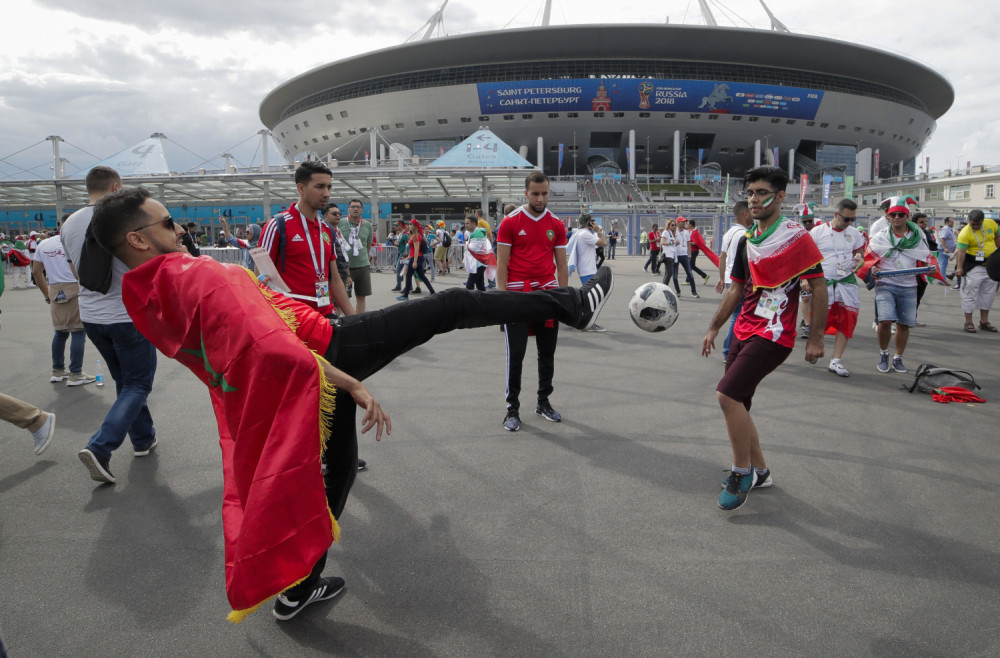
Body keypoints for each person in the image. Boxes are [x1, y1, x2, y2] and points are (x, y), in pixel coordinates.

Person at [90, 185, 613, 622]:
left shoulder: (147, 297)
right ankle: (571, 304)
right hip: (327, 353)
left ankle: (299, 586)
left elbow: (243, 347)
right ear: (137, 238)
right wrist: (351, 383)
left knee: (338, 468)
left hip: (305, 368)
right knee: (452, 303)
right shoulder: (201, 274)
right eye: (168, 224)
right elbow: (272, 347)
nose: (180, 230)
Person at [701, 166, 826, 511]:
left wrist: (816, 338)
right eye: (750, 193)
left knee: (727, 395)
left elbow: (818, 287)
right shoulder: (747, 240)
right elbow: (736, 289)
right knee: (739, 403)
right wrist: (714, 327)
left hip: (775, 333)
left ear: (780, 196)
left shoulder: (795, 238)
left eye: (761, 193)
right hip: (743, 328)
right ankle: (761, 472)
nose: (754, 199)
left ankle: (741, 473)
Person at [61, 165, 159, 484]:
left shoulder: (69, 223)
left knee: (125, 381)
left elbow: (76, 271)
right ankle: (100, 447)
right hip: (128, 315)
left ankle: (143, 439)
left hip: (92, 316)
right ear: (116, 187)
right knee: (137, 383)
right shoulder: (124, 216)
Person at [497, 171, 587, 432]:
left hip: (548, 296)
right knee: (516, 355)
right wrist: (502, 300)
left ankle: (543, 402)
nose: (540, 198)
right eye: (535, 193)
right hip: (517, 296)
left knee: (547, 353)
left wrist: (564, 298)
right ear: (526, 193)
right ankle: (512, 409)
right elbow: (501, 264)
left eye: (544, 193)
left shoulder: (556, 224)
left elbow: (562, 265)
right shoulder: (510, 222)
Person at [858, 203, 933, 373]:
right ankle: (884, 353)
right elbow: (869, 257)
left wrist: (929, 268)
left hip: (909, 285)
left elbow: (925, 257)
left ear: (907, 216)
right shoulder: (881, 236)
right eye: (893, 215)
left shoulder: (917, 236)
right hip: (886, 283)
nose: (897, 218)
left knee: (904, 324)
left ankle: (898, 357)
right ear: (888, 217)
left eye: (901, 214)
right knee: (885, 321)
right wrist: (873, 268)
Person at [31, 221, 95, 385]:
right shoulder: (75, 241)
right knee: (78, 331)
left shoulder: (44, 244)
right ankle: (76, 373)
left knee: (60, 332)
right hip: (74, 287)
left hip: (54, 288)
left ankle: (58, 370)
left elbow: (36, 271)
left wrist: (46, 294)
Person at [809, 199, 865, 376]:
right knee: (820, 319)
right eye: (846, 219)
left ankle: (836, 360)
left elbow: (860, 254)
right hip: (823, 283)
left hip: (846, 282)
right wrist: (805, 280)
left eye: (852, 219)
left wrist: (858, 260)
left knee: (847, 319)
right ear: (836, 214)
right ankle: (816, 346)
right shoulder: (817, 232)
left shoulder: (854, 233)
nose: (849, 223)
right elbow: (807, 258)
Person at [715, 201, 753, 360]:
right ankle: (729, 350)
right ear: (745, 213)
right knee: (738, 315)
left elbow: (722, 257)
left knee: (736, 314)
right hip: (740, 279)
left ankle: (731, 349)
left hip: (730, 278)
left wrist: (722, 278)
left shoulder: (729, 233)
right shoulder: (746, 234)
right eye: (751, 212)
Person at [954, 209, 999, 333]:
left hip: (990, 265)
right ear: (969, 221)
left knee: (988, 294)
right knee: (969, 294)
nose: (975, 226)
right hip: (973, 266)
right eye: (973, 224)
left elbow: (997, 235)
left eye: (978, 224)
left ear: (982, 221)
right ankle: (968, 322)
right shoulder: (964, 233)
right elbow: (961, 252)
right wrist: (959, 268)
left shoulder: (991, 223)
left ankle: (984, 321)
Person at [567, 213, 608, 332]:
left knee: (589, 297)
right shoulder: (585, 234)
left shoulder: (582, 233)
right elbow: (603, 243)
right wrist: (598, 231)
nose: (594, 223)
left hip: (587, 269)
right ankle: (588, 324)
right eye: (592, 221)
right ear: (587, 222)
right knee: (591, 298)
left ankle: (581, 320)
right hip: (587, 270)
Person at [337, 199, 374, 314]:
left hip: (362, 266)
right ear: (348, 209)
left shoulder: (367, 225)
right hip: (344, 267)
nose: (355, 209)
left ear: (362, 210)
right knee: (341, 298)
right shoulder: (340, 223)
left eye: (358, 207)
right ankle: (340, 322)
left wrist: (362, 257)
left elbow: (368, 245)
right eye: (353, 207)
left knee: (361, 296)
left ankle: (359, 321)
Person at [396, 220, 435, 300]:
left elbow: (416, 249)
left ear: (414, 226)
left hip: (416, 258)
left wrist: (414, 261)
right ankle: (433, 292)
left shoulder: (415, 236)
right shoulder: (416, 235)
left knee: (409, 276)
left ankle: (405, 295)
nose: (409, 226)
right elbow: (413, 249)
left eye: (410, 224)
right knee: (421, 276)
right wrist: (408, 258)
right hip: (417, 258)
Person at [463, 216, 496, 292]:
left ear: (473, 224)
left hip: (479, 263)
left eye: (467, 223)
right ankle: (484, 299)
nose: (466, 225)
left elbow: (473, 248)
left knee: (470, 285)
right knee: (480, 285)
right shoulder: (474, 233)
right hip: (479, 263)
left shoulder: (478, 233)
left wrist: (467, 244)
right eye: (465, 223)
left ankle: (470, 299)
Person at [673, 218, 699, 298]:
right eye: (683, 221)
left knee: (690, 274)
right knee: (675, 276)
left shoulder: (687, 232)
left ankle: (694, 292)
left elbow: (688, 244)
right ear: (678, 222)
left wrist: (689, 255)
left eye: (685, 222)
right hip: (676, 255)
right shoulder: (674, 231)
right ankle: (678, 291)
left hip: (684, 255)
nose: (684, 223)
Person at [659, 219, 679, 292]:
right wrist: (672, 242)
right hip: (668, 255)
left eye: (675, 225)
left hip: (672, 255)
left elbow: (671, 242)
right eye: (672, 225)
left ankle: (662, 289)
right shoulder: (666, 232)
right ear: (668, 225)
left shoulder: (671, 233)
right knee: (669, 273)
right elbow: (662, 242)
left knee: (667, 273)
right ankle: (663, 290)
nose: (674, 226)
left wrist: (676, 242)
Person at [937, 216, 956, 285]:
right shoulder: (945, 229)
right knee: (943, 264)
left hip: (946, 250)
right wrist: (945, 248)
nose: (953, 223)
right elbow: (942, 239)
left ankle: (941, 279)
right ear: (947, 222)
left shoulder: (949, 229)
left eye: (953, 222)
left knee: (944, 264)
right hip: (943, 250)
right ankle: (941, 280)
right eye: (951, 222)